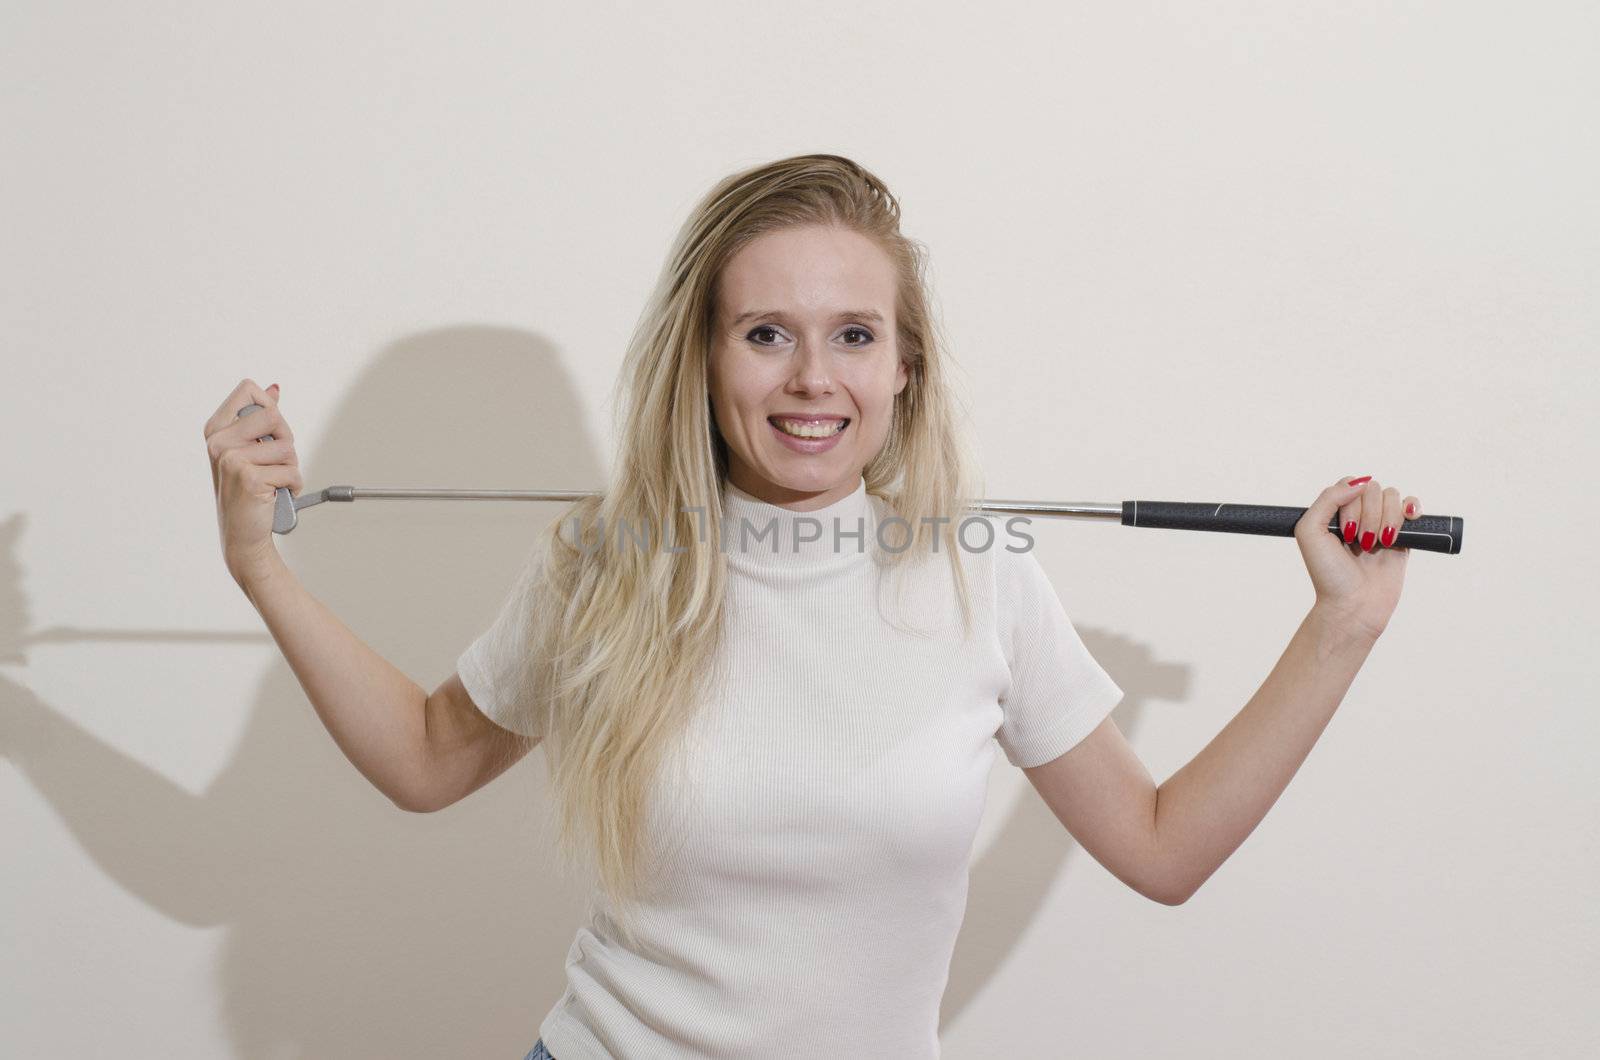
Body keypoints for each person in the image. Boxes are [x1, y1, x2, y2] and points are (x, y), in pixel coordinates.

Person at [204, 154, 1421, 1059]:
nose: (810, 380)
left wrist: (1341, 627)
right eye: (764, 333)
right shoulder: (607, 560)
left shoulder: (976, 570)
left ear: (904, 363)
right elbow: (426, 759)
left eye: (852, 334)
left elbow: (1161, 850)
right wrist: (264, 569)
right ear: (705, 355)